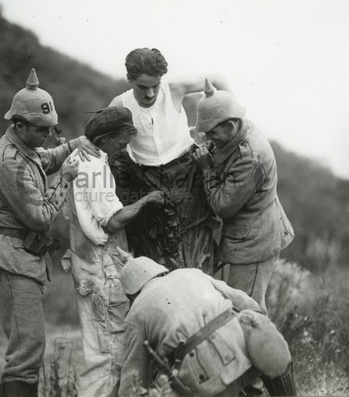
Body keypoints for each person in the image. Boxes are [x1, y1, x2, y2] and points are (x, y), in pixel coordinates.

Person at [0, 68, 98, 397]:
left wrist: (75, 144)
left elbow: (43, 158)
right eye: (40, 129)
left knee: (28, 348)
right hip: (12, 260)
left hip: (22, 259)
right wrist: (67, 177)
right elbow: (40, 218)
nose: (48, 135)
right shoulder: (10, 163)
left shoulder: (22, 147)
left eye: (50, 128)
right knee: (26, 350)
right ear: (19, 125)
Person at [62, 107, 166, 397]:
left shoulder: (79, 158)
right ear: (105, 138)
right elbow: (113, 220)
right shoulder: (93, 167)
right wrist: (148, 200)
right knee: (110, 353)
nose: (124, 146)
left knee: (99, 350)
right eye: (121, 140)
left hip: (88, 264)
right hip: (102, 265)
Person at [108, 47, 232, 273]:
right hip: (147, 181)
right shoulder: (120, 104)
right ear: (130, 79)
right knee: (157, 253)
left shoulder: (174, 88)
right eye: (142, 87)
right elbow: (100, 135)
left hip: (188, 171)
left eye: (155, 85)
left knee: (197, 247)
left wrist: (227, 113)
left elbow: (217, 79)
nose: (150, 94)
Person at [117, 256, 297, 397]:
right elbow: (248, 304)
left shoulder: (136, 312)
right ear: (160, 272)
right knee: (268, 344)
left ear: (132, 294)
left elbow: (133, 378)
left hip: (206, 375)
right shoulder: (189, 273)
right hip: (249, 347)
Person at [191, 79, 294, 314]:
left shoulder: (251, 156)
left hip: (255, 242)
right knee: (239, 305)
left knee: (248, 310)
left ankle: (264, 351)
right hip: (244, 236)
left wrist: (207, 169)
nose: (209, 139)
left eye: (212, 132)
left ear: (230, 125)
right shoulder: (239, 125)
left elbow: (223, 206)